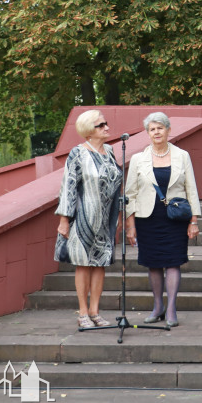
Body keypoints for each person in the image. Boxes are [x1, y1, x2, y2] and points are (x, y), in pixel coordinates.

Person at [125, 112, 201, 327]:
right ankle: (158, 305)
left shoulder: (182, 156)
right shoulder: (139, 159)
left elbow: (191, 189)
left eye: (160, 128)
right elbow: (130, 194)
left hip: (175, 218)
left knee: (174, 261)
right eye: (152, 129)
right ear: (148, 133)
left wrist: (194, 221)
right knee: (153, 264)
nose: (156, 132)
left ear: (168, 130)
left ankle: (171, 308)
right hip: (147, 218)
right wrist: (130, 226)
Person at [54, 109, 122, 330]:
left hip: (105, 219)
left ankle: (95, 311)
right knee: (83, 264)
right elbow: (68, 187)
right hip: (83, 217)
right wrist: (64, 219)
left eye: (106, 123)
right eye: (101, 125)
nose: (107, 128)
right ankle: (83, 312)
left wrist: (117, 216)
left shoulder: (111, 151)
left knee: (100, 264)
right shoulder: (78, 153)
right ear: (88, 130)